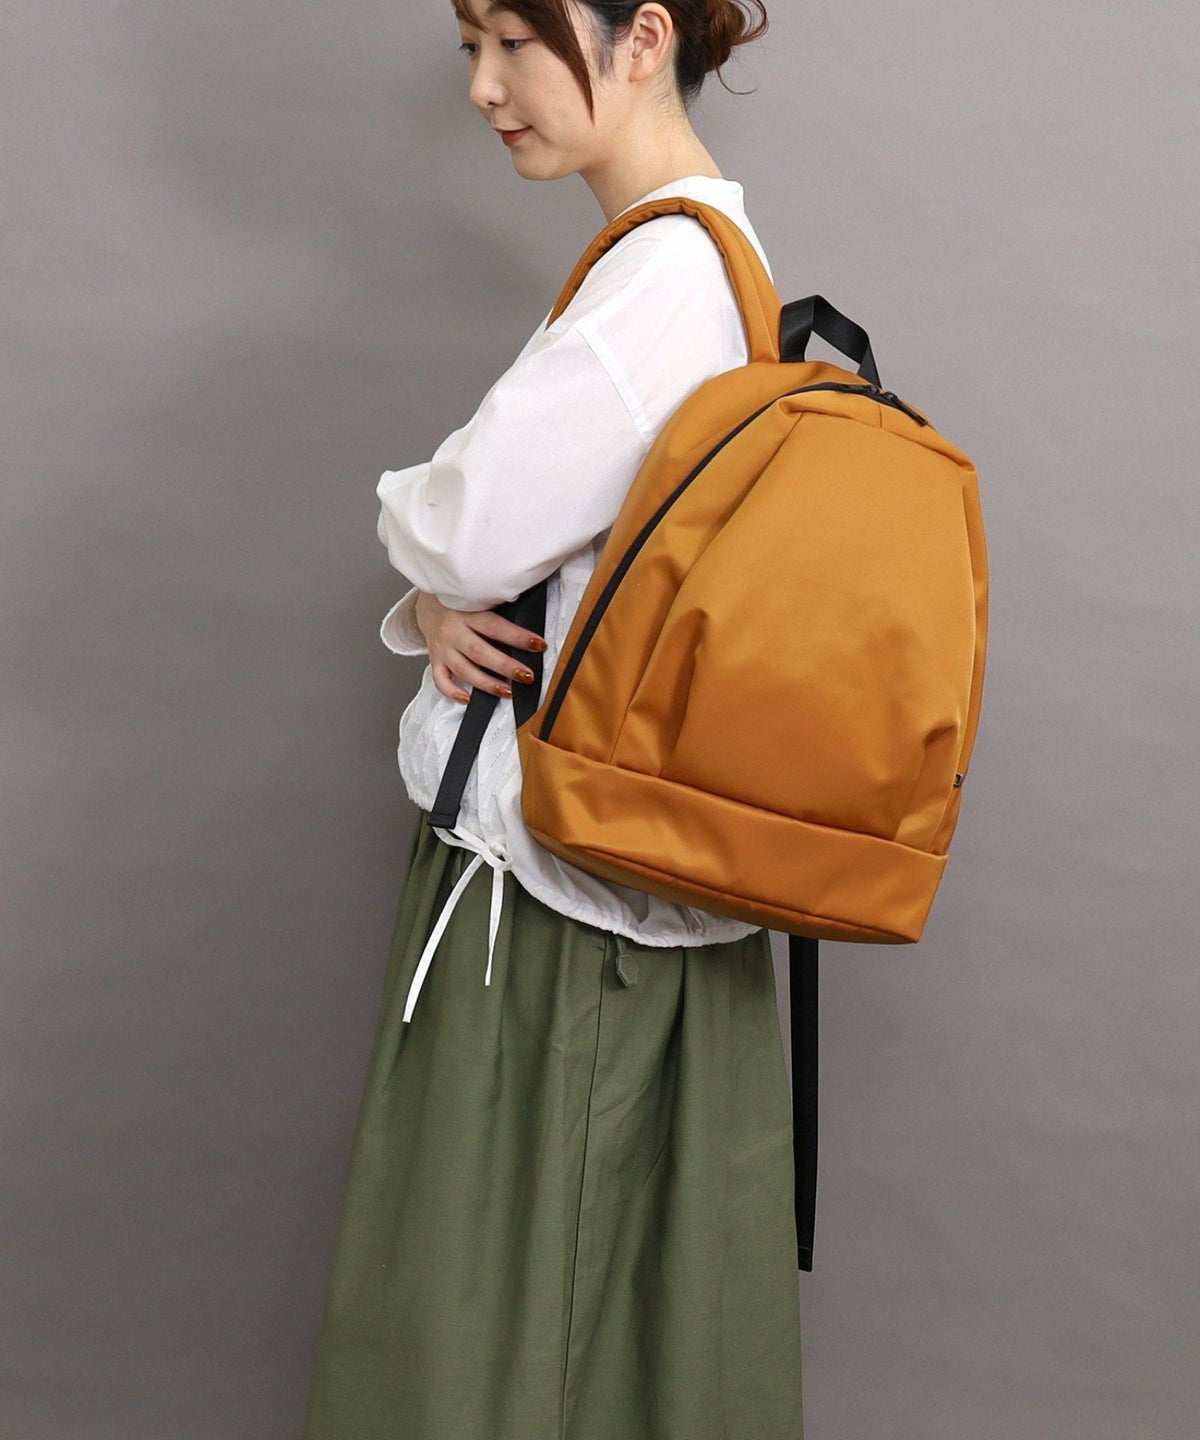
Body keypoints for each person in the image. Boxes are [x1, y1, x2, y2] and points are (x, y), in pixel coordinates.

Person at [301, 3, 804, 1437]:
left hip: (552, 902)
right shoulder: (707, 262)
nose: (483, 85)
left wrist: (421, 551)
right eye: (468, 44)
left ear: (642, 38)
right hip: (612, 881)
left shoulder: (662, 279)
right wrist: (439, 603)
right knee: (593, 1338)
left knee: (491, 1335)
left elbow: (465, 526)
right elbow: (529, 560)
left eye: (516, 41)